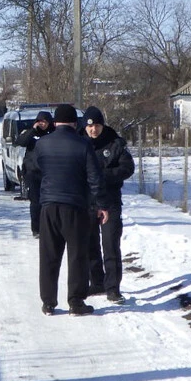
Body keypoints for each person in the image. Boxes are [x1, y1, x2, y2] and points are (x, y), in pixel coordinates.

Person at [32, 104, 109, 316]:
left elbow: (35, 169)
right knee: (77, 256)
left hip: (48, 206)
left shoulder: (42, 144)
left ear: (55, 122)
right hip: (75, 207)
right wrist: (101, 204)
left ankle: (48, 303)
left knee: (49, 256)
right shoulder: (83, 145)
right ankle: (76, 302)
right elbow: (95, 178)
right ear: (75, 123)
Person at [81, 106, 134, 304]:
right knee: (90, 244)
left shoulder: (115, 143)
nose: (93, 130)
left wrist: (103, 176)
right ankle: (97, 282)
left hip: (110, 201)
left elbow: (127, 168)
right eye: (89, 126)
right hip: (87, 201)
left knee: (110, 244)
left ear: (102, 125)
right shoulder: (79, 142)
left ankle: (113, 288)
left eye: (96, 125)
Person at [14, 111, 55, 238]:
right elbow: (21, 142)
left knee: (49, 202)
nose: (42, 124)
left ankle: (49, 227)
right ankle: (36, 229)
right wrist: (33, 130)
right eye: (40, 121)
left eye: (45, 121)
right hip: (32, 173)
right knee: (35, 202)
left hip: (49, 173)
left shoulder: (53, 134)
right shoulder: (31, 133)